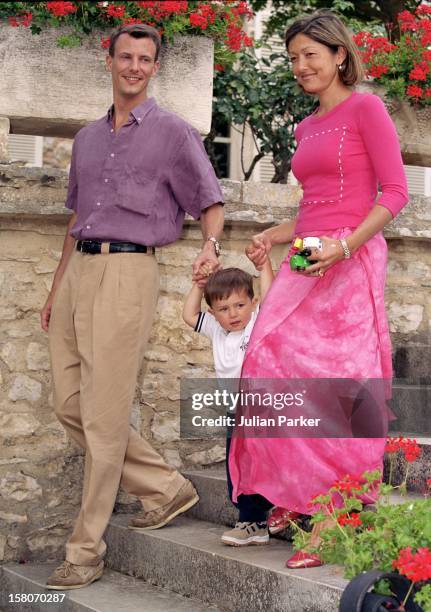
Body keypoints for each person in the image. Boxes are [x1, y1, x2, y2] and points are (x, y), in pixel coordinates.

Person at [40, 24, 224, 590]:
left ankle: (85, 549)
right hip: (80, 270)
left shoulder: (173, 133)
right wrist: (56, 287)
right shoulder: (87, 138)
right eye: (127, 56)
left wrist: (211, 247)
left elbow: (209, 200)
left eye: (146, 59)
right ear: (110, 60)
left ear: (155, 67)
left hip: (128, 271)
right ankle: (166, 488)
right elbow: (78, 219)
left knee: (101, 414)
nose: (135, 67)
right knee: (71, 403)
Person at [228, 10, 408, 568]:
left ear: (338, 55)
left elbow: (396, 193)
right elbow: (313, 209)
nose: (301, 66)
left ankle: (334, 517)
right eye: (294, 58)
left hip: (351, 259)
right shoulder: (307, 126)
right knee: (265, 360)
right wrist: (274, 235)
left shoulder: (367, 107)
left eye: (311, 54)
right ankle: (288, 497)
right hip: (310, 253)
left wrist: (346, 247)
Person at [183, 263, 275, 545]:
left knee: (261, 464)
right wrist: (199, 284)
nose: (233, 314)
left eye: (239, 305)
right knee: (238, 466)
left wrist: (264, 266)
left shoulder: (258, 323)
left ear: (253, 303)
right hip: (235, 411)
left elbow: (272, 298)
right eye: (224, 309)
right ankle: (251, 521)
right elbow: (189, 315)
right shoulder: (217, 332)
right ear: (213, 314)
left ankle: (257, 518)